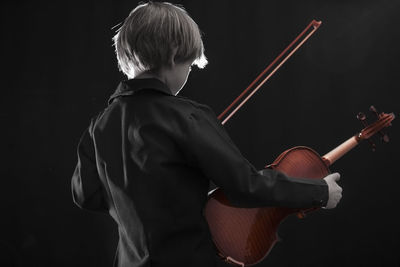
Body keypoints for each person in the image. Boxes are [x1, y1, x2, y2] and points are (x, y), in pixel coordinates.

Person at [71, 2, 342, 267]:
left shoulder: (100, 125)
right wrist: (319, 192)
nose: (188, 73)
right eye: (190, 65)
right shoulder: (187, 115)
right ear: (175, 52)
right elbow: (246, 186)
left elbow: (86, 196)